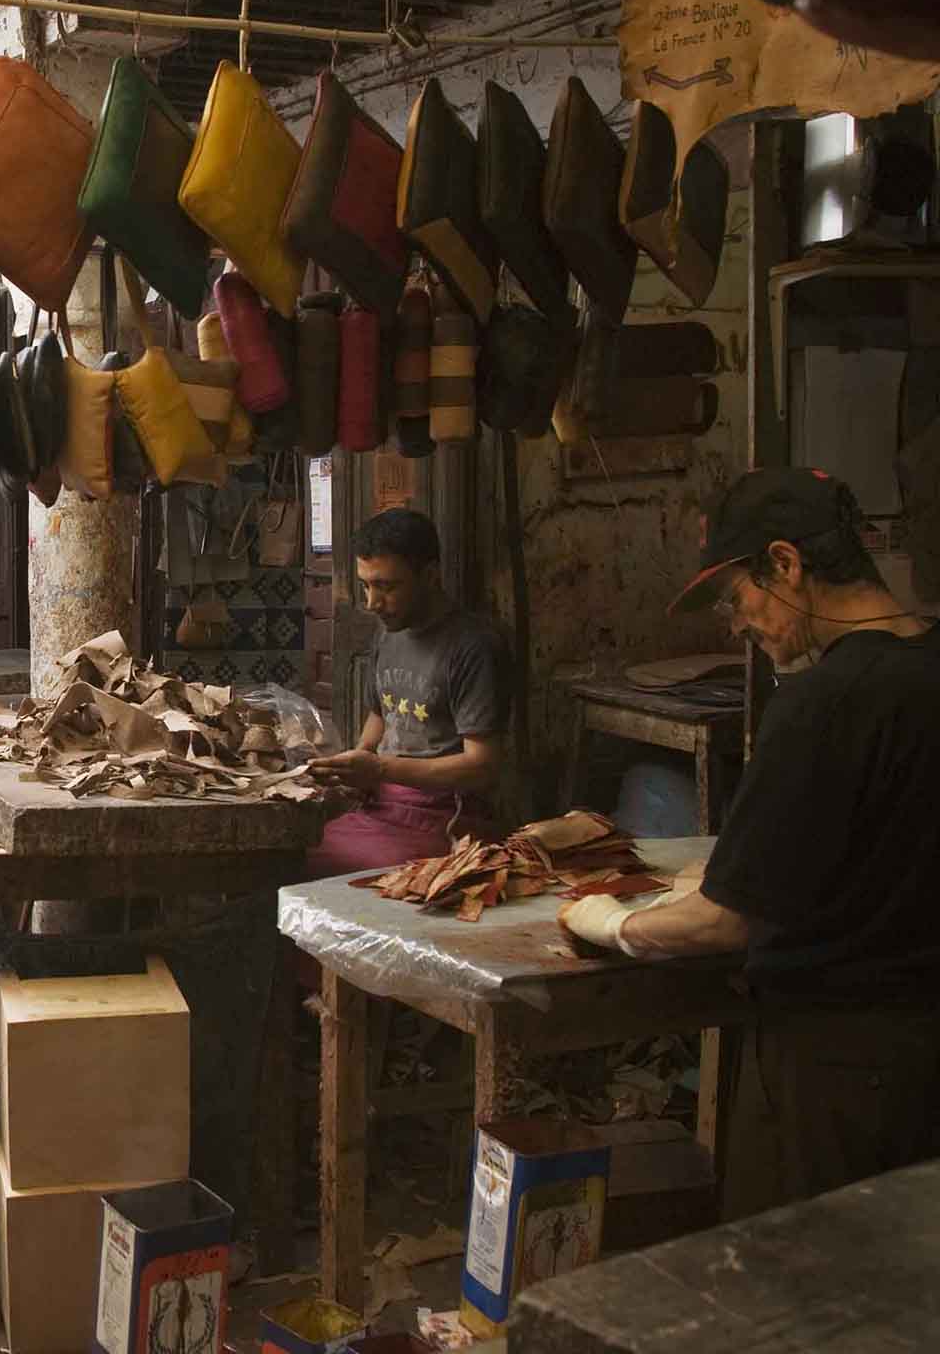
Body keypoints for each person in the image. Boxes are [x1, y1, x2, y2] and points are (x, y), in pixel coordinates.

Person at [559, 468, 940, 1218]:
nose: (737, 625)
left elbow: (728, 921)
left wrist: (611, 921)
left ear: (787, 564)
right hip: (924, 1059)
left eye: (739, 597)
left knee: (799, 1298)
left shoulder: (820, 705)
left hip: (835, 1072)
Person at [305, 508, 511, 876]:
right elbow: (380, 714)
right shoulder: (388, 631)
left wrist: (379, 768)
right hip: (382, 801)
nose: (371, 603)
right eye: (365, 585)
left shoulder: (473, 647)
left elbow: (482, 767)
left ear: (430, 576)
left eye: (386, 586)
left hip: (448, 813)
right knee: (291, 846)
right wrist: (359, 762)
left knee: (333, 867)